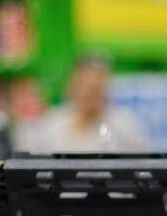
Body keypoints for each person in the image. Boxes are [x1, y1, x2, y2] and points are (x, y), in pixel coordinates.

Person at [16, 57, 149, 153]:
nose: (88, 94)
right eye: (83, 86)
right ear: (70, 88)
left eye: (96, 88)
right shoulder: (49, 125)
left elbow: (143, 166)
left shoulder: (125, 125)